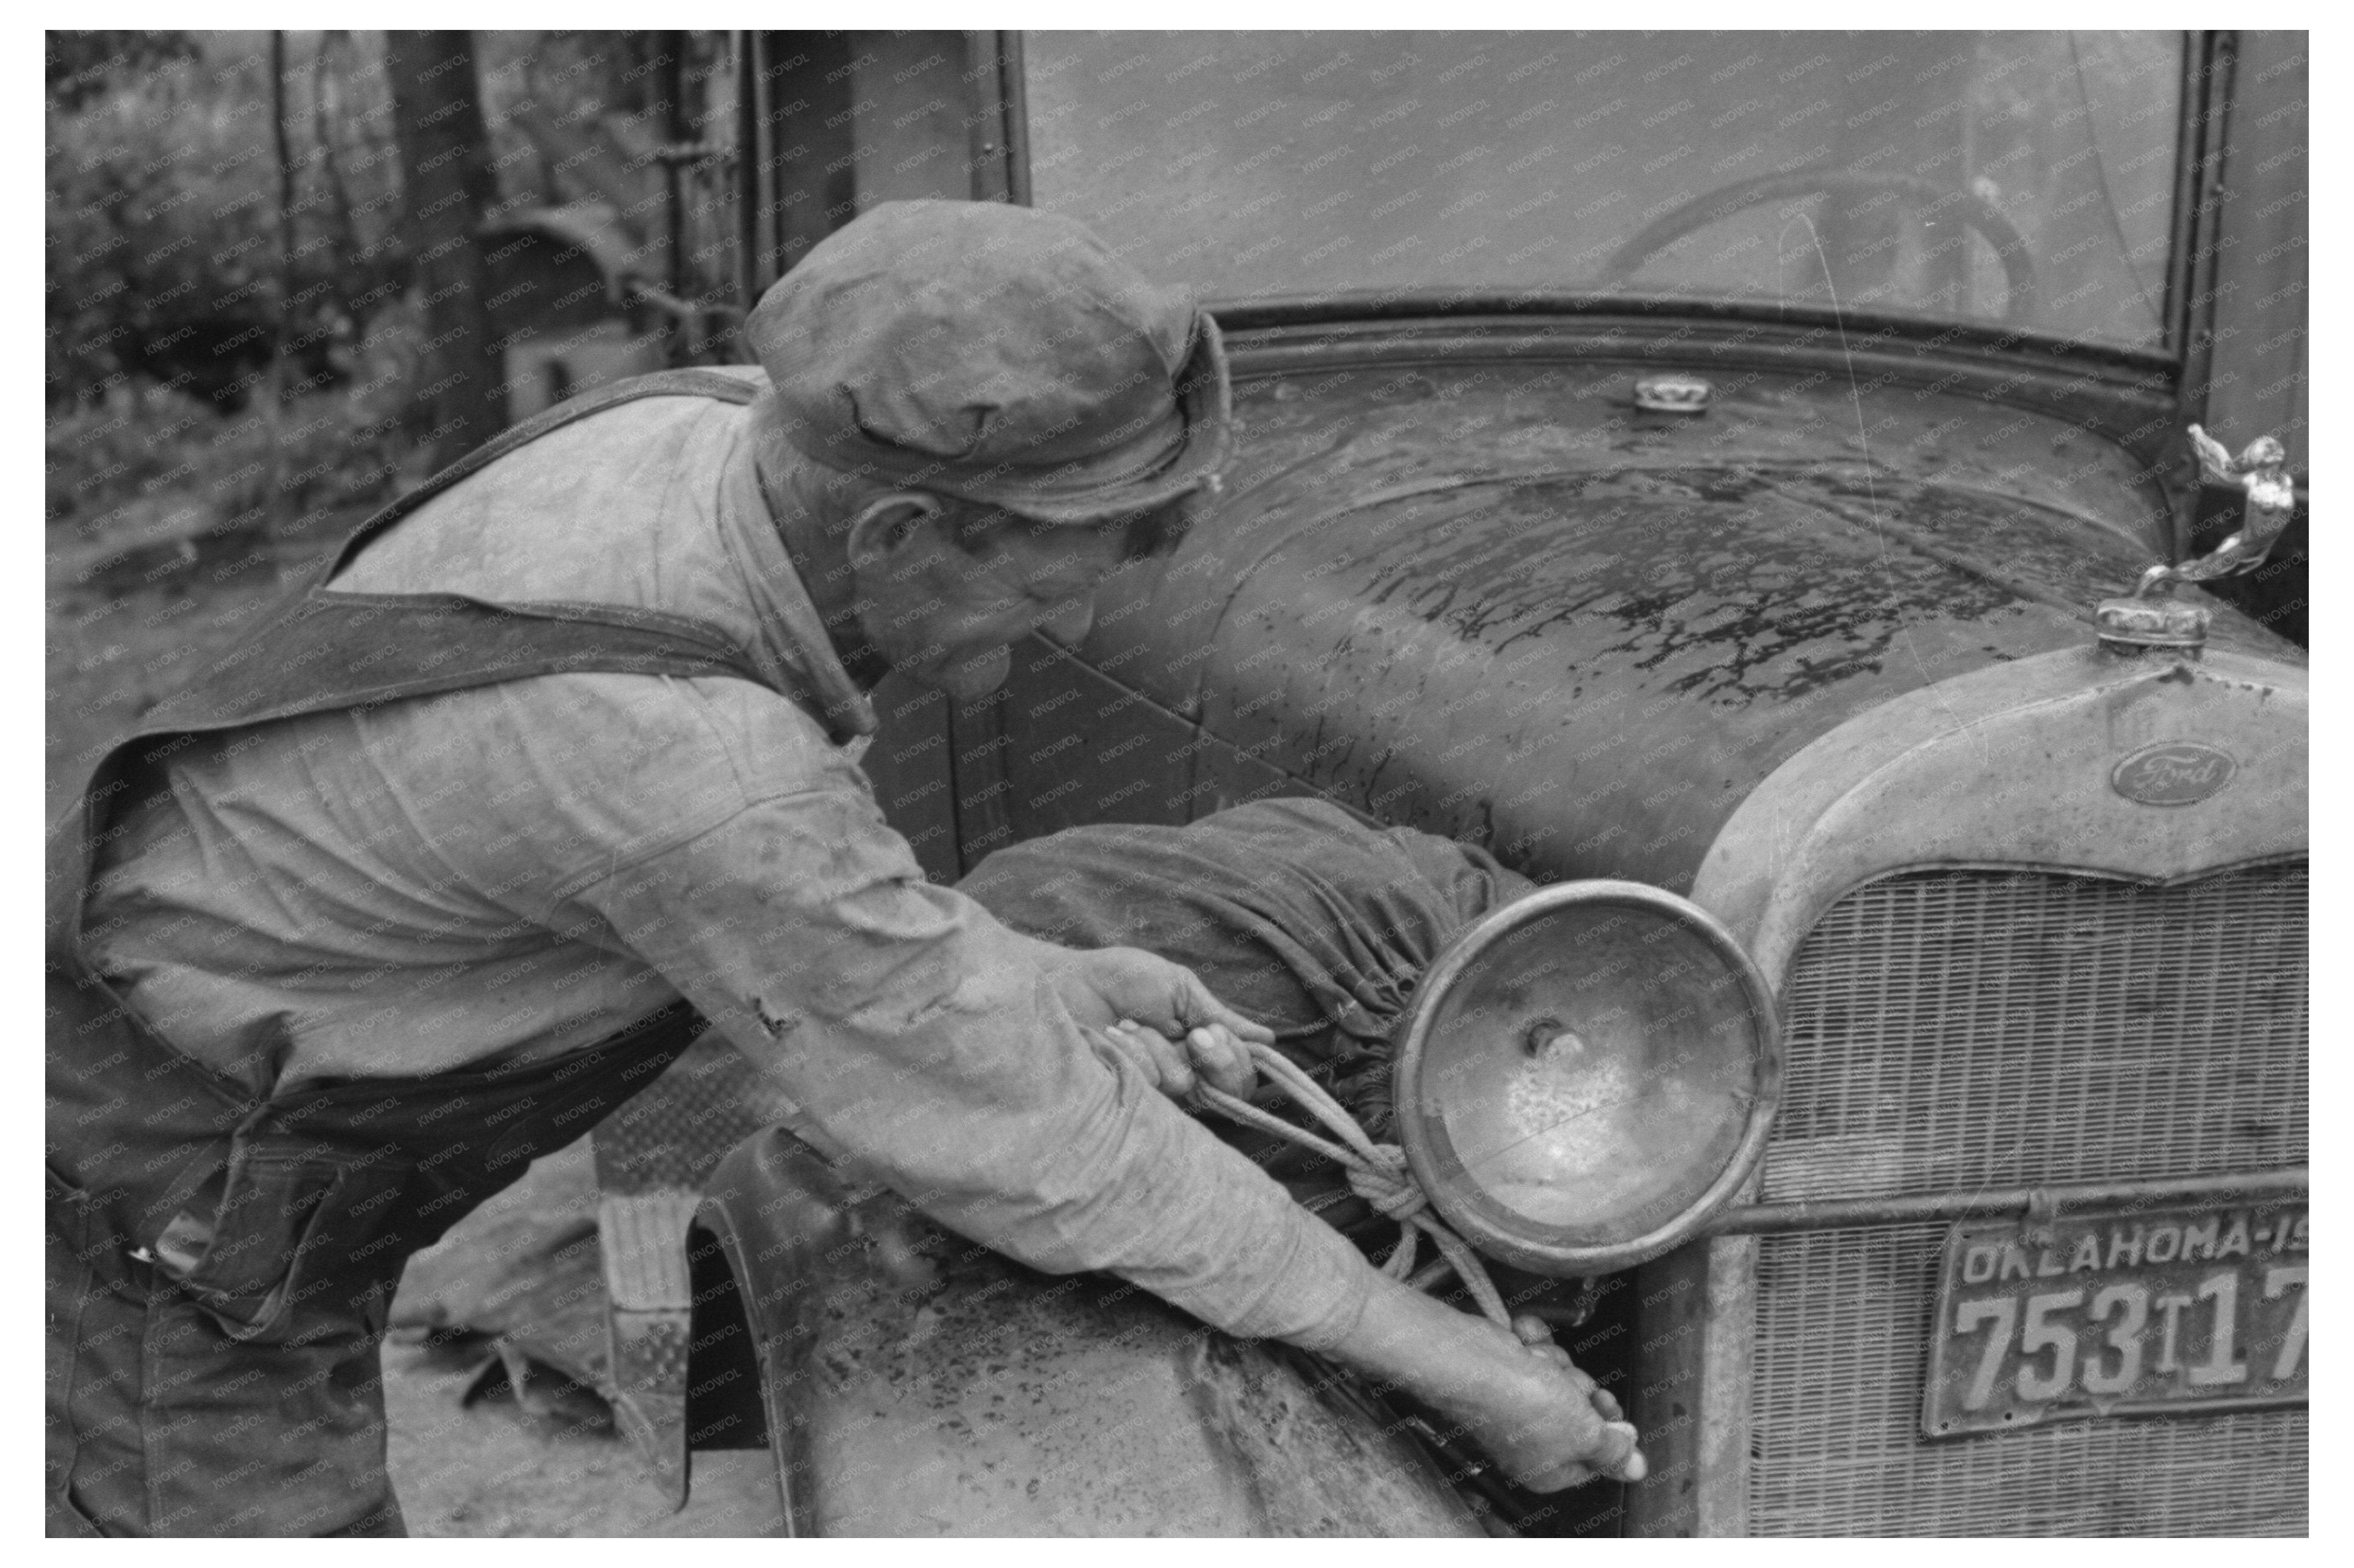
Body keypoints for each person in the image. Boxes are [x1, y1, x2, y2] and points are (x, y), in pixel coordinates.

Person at [45, 200, 1639, 1537]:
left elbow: (788, 887)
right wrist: (1456, 1360)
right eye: (1045, 591)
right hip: (159, 1224)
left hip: (227, 1115)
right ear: (894, 539)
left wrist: (1043, 970)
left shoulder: (695, 433)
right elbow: (1047, 1148)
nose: (1071, 636)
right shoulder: (678, 757)